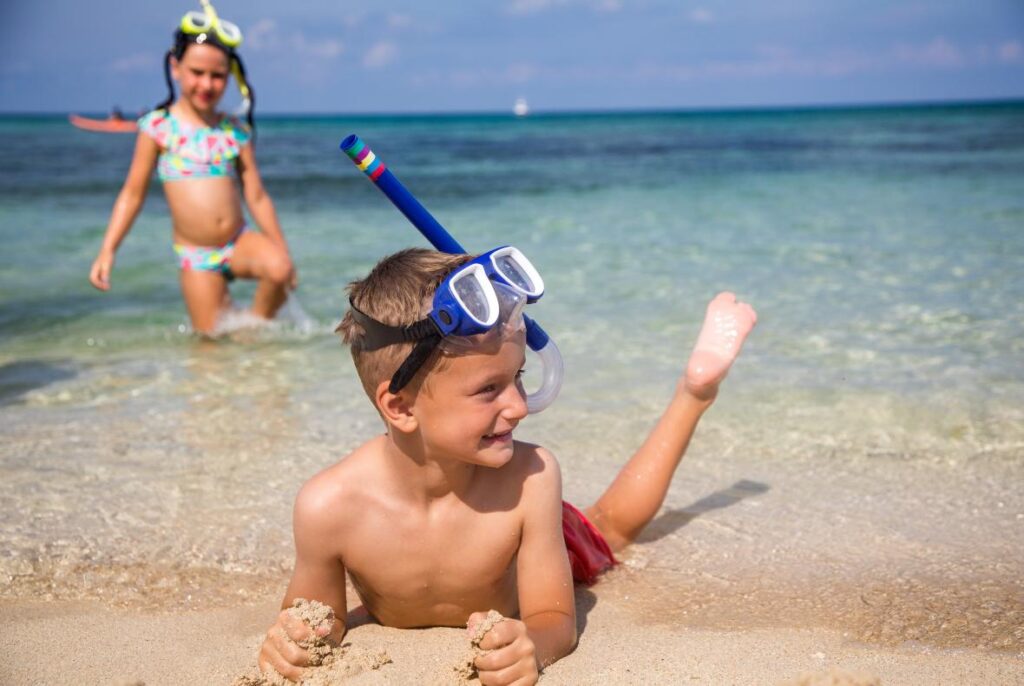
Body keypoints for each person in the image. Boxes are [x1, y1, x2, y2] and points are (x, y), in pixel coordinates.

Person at [257, 248, 757, 685]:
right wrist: (296, 638)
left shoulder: (529, 479)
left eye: (517, 377)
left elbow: (553, 615)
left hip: (536, 531)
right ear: (401, 407)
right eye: (488, 390)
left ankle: (695, 392)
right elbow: (317, 617)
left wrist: (533, 647)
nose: (519, 406)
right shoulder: (329, 508)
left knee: (611, 525)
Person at [88, 0, 295, 335]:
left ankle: (253, 334)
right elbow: (132, 194)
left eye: (218, 76)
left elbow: (256, 197)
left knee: (280, 269)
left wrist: (281, 249)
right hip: (197, 257)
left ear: (230, 77)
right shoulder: (157, 128)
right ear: (175, 67)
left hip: (237, 241)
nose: (207, 84)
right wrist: (108, 251)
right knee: (210, 344)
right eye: (197, 73)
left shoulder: (234, 132)